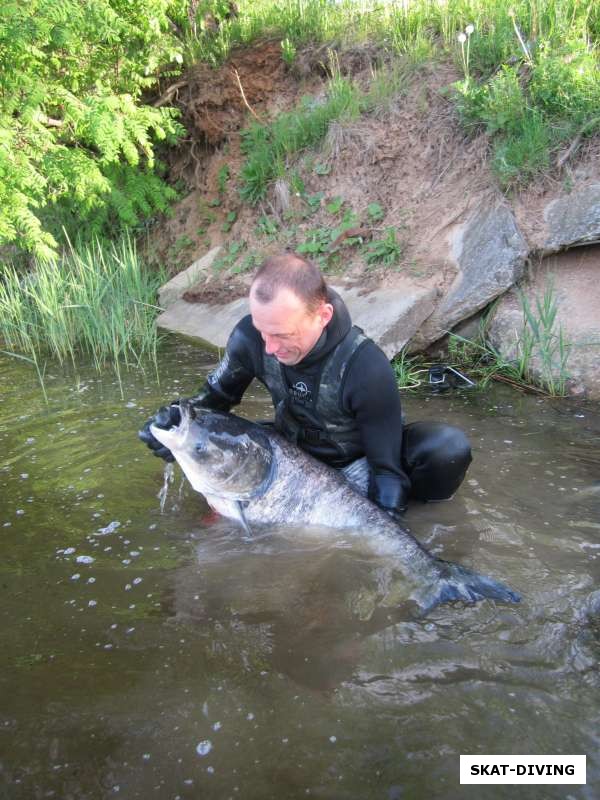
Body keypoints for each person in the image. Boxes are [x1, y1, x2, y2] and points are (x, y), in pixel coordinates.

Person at [139, 253, 472, 520]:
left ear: (322, 316)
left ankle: (428, 514)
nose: (268, 347)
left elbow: (386, 471)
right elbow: (211, 404)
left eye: (283, 335)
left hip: (357, 462)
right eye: (262, 330)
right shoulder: (248, 338)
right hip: (290, 452)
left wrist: (386, 534)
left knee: (446, 449)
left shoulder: (366, 366)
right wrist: (172, 427)